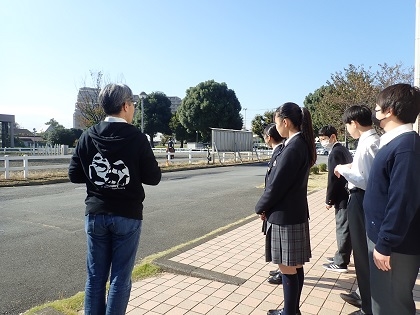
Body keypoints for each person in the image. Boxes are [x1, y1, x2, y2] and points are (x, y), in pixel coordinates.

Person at [68, 83, 162, 315]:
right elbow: (153, 177)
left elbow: (74, 175)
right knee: (120, 277)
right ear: (125, 105)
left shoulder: (87, 136)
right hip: (127, 215)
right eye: (133, 105)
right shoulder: (138, 138)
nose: (134, 110)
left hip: (96, 213)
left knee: (95, 277)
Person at [363, 83, 420, 315]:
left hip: (394, 246)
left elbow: (402, 201)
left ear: (390, 110)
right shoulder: (398, 143)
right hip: (387, 241)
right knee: (383, 303)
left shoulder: (407, 147)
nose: (375, 110)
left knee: (391, 306)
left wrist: (385, 242)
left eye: (378, 106)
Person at [255, 102, 317, 315]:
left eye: (276, 122)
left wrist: (260, 206)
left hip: (285, 215)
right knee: (295, 266)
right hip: (292, 213)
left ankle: (290, 312)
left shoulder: (293, 147)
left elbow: (277, 185)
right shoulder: (298, 143)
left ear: (285, 122)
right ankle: (292, 310)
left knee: (288, 268)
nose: (276, 127)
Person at [334, 105, 380, 315]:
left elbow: (367, 180)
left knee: (363, 255)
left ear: (354, 123)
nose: (347, 129)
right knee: (361, 254)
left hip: (362, 200)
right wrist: (347, 168)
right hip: (360, 200)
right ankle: (364, 298)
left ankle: (368, 308)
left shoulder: (370, 142)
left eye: (347, 125)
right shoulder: (368, 140)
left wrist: (343, 171)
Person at [319, 125, 353, 273]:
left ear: (333, 136)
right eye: (320, 139)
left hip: (342, 197)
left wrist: (329, 200)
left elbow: (333, 179)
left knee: (343, 228)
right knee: (345, 228)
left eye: (324, 139)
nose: (322, 142)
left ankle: (341, 262)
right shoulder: (342, 149)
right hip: (347, 194)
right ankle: (340, 256)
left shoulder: (335, 152)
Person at [262, 123, 286, 286]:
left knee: (280, 245)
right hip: (277, 206)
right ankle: (281, 270)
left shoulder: (280, 152)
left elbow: (274, 185)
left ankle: (282, 271)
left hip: (278, 208)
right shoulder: (282, 150)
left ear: (268, 138)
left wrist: (263, 206)